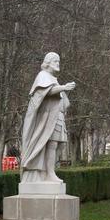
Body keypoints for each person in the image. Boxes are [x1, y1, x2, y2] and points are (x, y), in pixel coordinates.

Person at [20, 52, 76, 183]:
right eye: (56, 61)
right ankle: (49, 173)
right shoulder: (43, 75)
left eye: (59, 61)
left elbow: (60, 100)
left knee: (56, 145)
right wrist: (64, 87)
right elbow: (46, 91)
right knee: (50, 143)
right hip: (48, 118)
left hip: (57, 116)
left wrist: (63, 91)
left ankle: (49, 171)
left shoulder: (53, 79)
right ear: (48, 62)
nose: (58, 64)